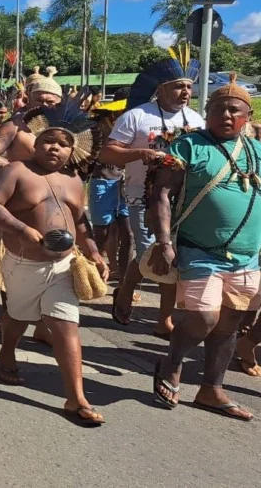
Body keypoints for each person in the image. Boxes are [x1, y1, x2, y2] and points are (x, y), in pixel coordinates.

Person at [0, 94, 108, 426]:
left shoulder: (75, 180)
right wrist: (22, 229)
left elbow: (81, 222)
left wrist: (94, 251)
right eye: (48, 141)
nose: (55, 148)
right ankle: (6, 353)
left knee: (67, 327)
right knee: (18, 316)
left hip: (64, 266)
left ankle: (76, 398)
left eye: (63, 144)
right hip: (24, 263)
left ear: (73, 150)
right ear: (36, 143)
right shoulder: (16, 171)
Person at [149, 77, 259, 421]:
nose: (225, 114)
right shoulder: (187, 146)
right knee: (203, 318)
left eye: (234, 109)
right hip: (198, 250)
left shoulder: (257, 151)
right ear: (206, 112)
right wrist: (164, 242)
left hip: (248, 254)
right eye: (217, 108)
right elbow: (161, 194)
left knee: (229, 323)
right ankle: (172, 364)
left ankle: (211, 389)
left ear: (248, 115)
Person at [99, 47, 204, 334]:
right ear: (161, 88)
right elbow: (107, 154)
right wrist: (140, 153)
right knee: (156, 253)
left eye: (188, 87)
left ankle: (129, 292)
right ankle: (161, 318)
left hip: (181, 200)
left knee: (163, 254)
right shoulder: (136, 117)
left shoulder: (196, 121)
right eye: (178, 86)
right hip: (141, 197)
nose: (185, 92)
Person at [0, 66, 64, 344]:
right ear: (28, 98)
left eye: (52, 102)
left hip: (51, 206)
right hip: (14, 205)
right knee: (13, 265)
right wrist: (21, 174)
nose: (46, 106)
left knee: (51, 262)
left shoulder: (63, 129)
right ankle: (9, 315)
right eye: (41, 100)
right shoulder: (15, 125)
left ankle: (42, 321)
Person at [87, 90, 132, 284]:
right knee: (103, 231)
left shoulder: (133, 124)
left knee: (128, 232)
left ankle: (124, 278)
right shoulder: (98, 127)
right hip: (103, 181)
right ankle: (94, 272)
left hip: (129, 183)